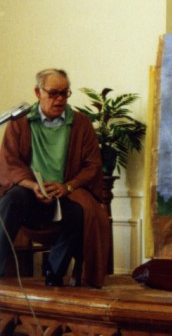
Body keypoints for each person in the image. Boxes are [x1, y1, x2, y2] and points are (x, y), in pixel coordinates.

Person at [0, 68, 110, 287]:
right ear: (37, 92)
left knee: (82, 213)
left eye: (64, 93)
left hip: (66, 191)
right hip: (30, 191)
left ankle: (54, 270)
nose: (60, 99)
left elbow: (93, 166)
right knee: (10, 201)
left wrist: (67, 187)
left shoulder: (81, 123)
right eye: (53, 93)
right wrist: (33, 185)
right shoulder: (19, 122)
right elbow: (9, 162)